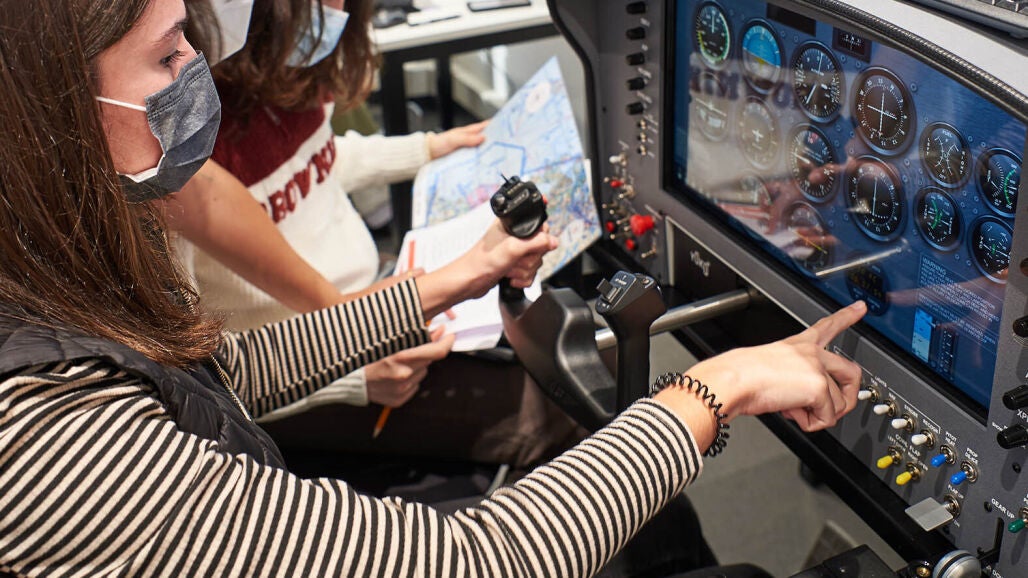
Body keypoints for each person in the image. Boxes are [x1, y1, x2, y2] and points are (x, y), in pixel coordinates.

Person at [0, 1, 870, 575]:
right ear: (48, 110)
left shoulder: (39, 288)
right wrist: (717, 385)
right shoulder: (44, 440)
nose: (199, 69)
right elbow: (471, 559)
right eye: (168, 54)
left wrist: (443, 283)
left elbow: (222, 374)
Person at [167, 0, 583, 468]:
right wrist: (354, 378)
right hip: (303, 368)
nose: (335, 12)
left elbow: (317, 160)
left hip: (368, 299)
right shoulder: (177, 161)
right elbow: (203, 377)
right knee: (544, 418)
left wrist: (429, 148)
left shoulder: (285, 78)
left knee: (551, 352)